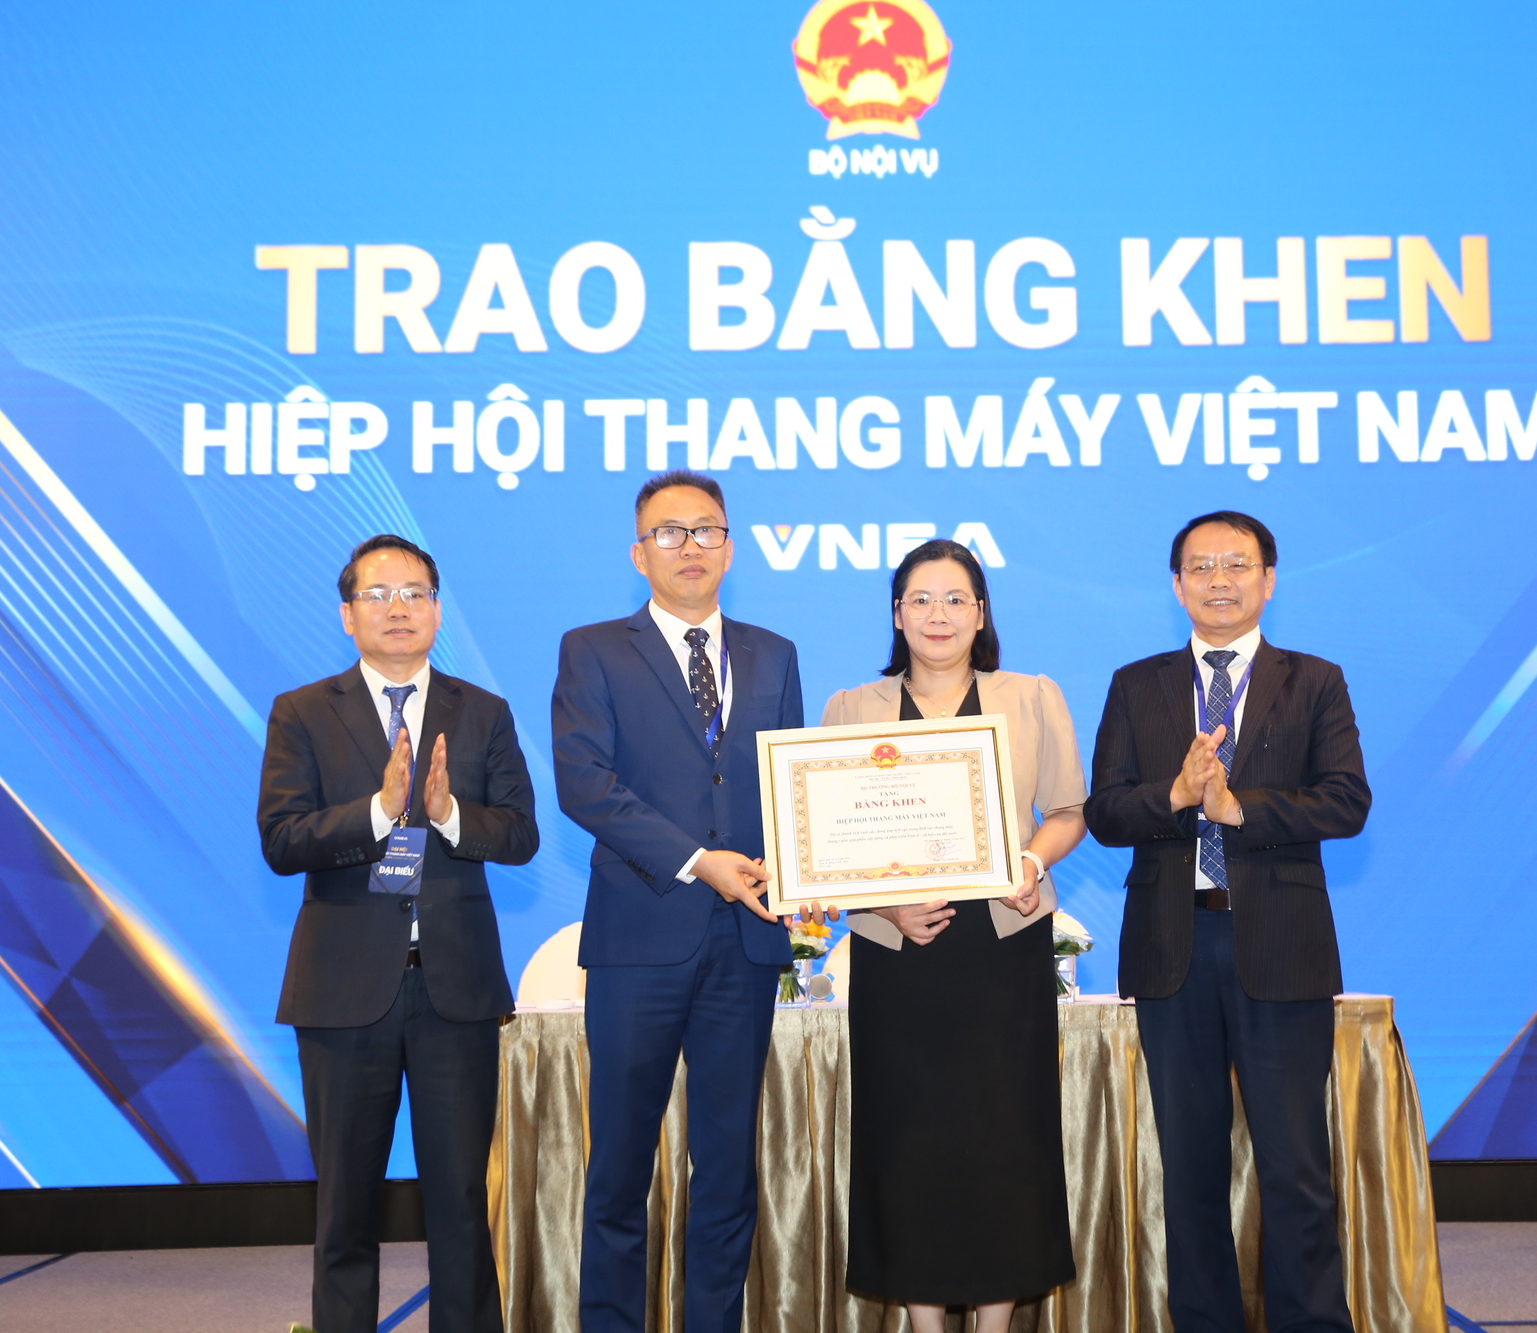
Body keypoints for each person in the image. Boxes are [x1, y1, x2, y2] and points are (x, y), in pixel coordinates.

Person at [1084, 511, 1370, 1333]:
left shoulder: (1314, 680)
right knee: (1190, 1173)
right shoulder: (1136, 684)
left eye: (1236, 564)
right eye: (1201, 566)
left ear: (1268, 579)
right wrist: (1175, 796)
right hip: (1173, 947)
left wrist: (1239, 807)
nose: (1219, 580)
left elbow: (1347, 800)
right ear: (1177, 585)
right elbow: (1105, 811)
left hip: (1281, 945)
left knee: (1295, 1169)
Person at [260, 534, 539, 1333]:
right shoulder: (303, 712)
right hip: (344, 991)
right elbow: (281, 838)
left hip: (455, 990)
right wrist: (380, 811)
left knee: (460, 1202)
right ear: (347, 615)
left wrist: (447, 814)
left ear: (438, 611)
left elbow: (520, 834)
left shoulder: (481, 712)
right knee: (346, 1204)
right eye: (378, 594)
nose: (398, 608)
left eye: (415, 592)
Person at [552, 470, 803, 1333]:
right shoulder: (593, 649)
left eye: (707, 530)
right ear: (639, 553)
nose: (690, 546)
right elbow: (585, 784)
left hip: (747, 943)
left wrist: (802, 863)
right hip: (639, 940)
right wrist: (700, 861)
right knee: (621, 1168)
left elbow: (786, 785)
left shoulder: (773, 653)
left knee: (727, 1168)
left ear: (730, 547)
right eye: (670, 532)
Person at [815, 538, 1085, 1333]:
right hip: (901, 962)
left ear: (981, 612)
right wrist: (885, 906)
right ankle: (928, 1325)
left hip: (1003, 953)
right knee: (909, 1147)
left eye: (956, 598)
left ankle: (995, 1324)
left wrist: (1031, 859)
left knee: (1006, 1142)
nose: (939, 614)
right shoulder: (850, 708)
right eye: (921, 599)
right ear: (897, 614)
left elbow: (1068, 810)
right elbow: (826, 850)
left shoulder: (1031, 696)